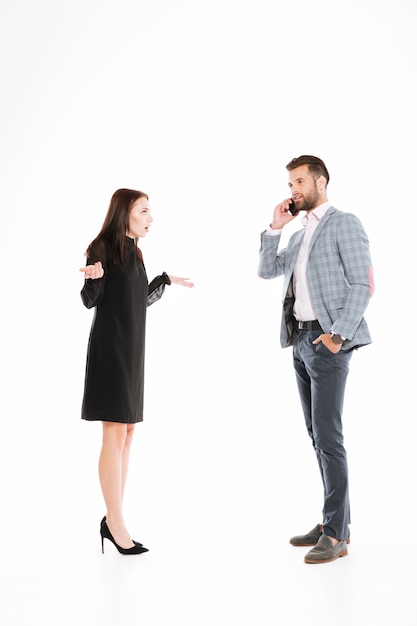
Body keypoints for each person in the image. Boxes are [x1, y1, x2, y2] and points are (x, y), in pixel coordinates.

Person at [258, 155, 374, 564]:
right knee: (316, 435)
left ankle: (337, 534)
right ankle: (330, 522)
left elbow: (364, 284)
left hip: (328, 343)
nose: (294, 190)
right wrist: (276, 227)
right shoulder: (297, 233)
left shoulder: (344, 223)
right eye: (290, 183)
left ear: (321, 182)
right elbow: (267, 270)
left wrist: (337, 335)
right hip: (300, 340)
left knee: (328, 436)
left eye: (300, 182)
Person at [80, 188, 194, 555]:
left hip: (132, 353)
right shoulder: (101, 248)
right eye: (143, 211)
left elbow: (136, 299)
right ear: (124, 213)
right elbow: (90, 299)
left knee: (128, 434)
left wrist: (164, 280)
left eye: (150, 211)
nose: (150, 218)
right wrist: (93, 277)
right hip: (110, 352)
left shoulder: (136, 252)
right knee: (113, 435)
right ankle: (115, 521)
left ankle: (114, 517)